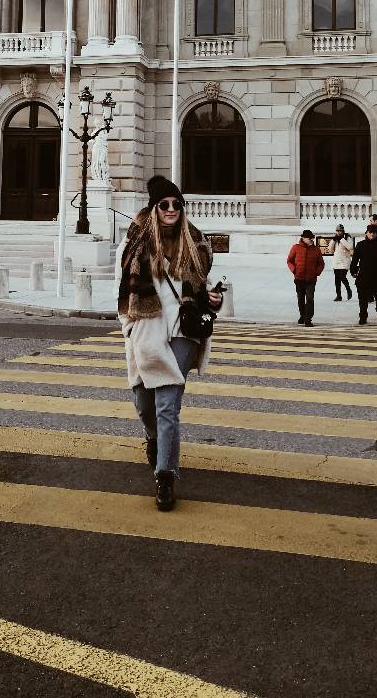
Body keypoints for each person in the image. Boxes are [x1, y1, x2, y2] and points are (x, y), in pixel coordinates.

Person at [116, 175, 222, 512]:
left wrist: (213, 300)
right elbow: (123, 292)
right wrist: (130, 327)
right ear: (154, 208)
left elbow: (201, 291)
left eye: (177, 204)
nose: (172, 209)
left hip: (183, 331)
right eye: (165, 204)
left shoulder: (195, 244)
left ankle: (166, 476)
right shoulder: (135, 245)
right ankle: (153, 438)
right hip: (146, 329)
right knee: (144, 402)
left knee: (167, 405)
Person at [350, 224, 377, 323]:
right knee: (363, 300)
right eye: (370, 232)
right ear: (366, 233)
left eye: (374, 233)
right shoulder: (360, 245)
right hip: (364, 276)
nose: (372, 234)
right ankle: (363, 317)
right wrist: (353, 271)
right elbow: (355, 260)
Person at [286, 230, 325, 325]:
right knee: (300, 299)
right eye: (309, 238)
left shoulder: (316, 249)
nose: (311, 239)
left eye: (312, 238)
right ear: (303, 238)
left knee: (310, 299)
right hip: (299, 279)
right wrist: (294, 270)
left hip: (311, 279)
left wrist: (316, 273)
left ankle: (308, 319)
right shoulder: (295, 248)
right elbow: (289, 261)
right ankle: (302, 316)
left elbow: (321, 264)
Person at [330, 224, 354, 301]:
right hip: (336, 261)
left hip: (344, 261)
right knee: (337, 279)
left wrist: (341, 239)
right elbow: (330, 249)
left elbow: (350, 247)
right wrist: (333, 240)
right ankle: (338, 295)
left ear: (343, 231)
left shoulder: (347, 237)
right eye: (337, 231)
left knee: (342, 277)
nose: (338, 232)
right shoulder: (335, 238)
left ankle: (348, 290)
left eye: (340, 231)